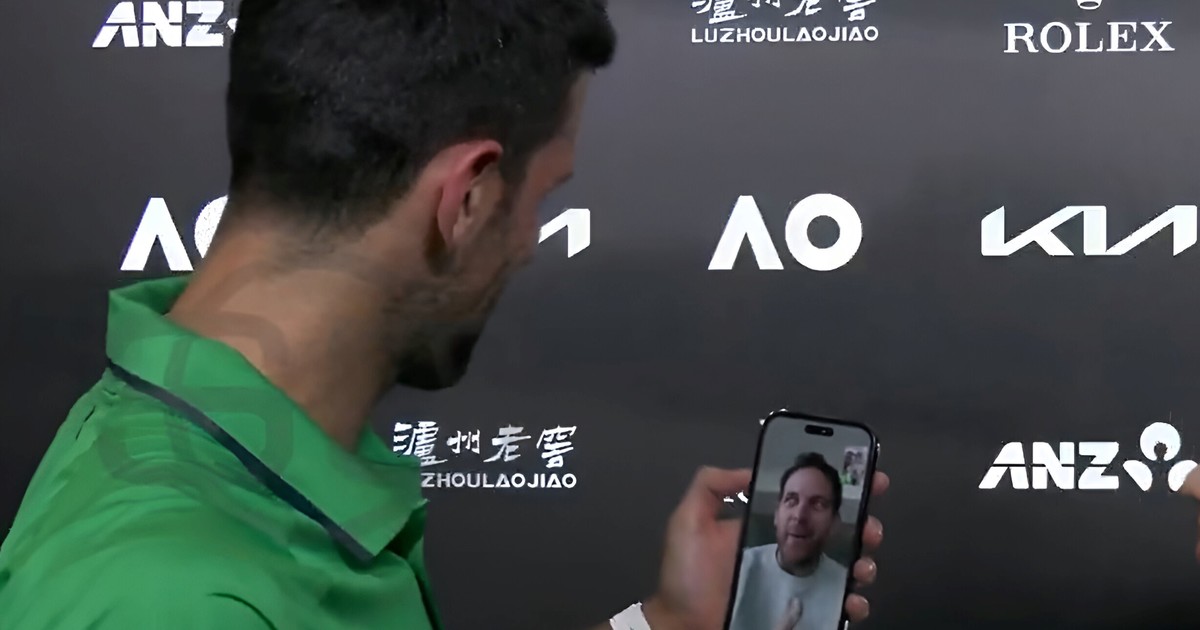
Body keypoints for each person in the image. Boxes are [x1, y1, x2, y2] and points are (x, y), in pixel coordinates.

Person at [0, 1, 888, 628]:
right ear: (466, 198)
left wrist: (661, 625)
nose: (531, 244)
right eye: (542, 198)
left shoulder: (249, 430)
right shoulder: (174, 601)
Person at [730, 453, 849, 630]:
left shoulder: (847, 589)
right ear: (776, 514)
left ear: (834, 523)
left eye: (817, 504)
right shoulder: (738, 567)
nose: (799, 516)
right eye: (791, 500)